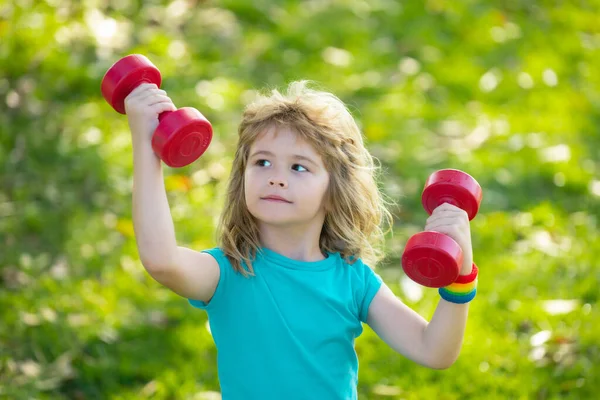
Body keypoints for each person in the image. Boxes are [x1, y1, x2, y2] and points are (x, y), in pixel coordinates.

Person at [124, 80, 478, 399]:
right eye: (262, 162)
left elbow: (434, 351)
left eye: (298, 167)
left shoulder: (353, 280)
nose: (276, 178)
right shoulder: (228, 272)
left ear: (333, 190)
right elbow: (161, 260)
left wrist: (461, 275)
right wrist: (146, 144)